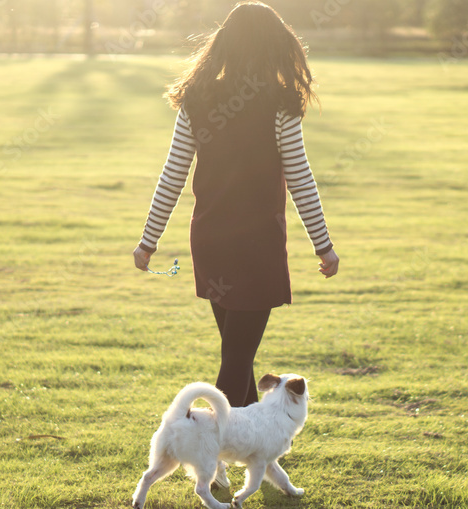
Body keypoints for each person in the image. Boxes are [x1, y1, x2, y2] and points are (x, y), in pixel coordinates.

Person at [133, 1, 339, 408]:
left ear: (223, 45)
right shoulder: (280, 104)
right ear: (274, 47)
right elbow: (300, 178)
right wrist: (324, 246)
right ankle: (207, 452)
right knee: (236, 357)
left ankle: (251, 457)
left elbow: (172, 174)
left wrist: (147, 241)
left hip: (209, 241)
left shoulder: (198, 99)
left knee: (238, 354)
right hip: (257, 248)